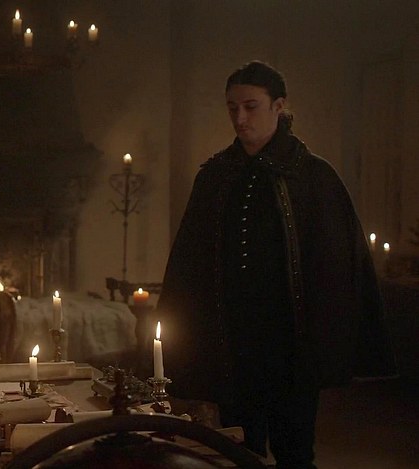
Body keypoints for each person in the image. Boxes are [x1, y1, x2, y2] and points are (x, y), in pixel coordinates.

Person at [156, 61, 395, 468]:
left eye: (250, 106)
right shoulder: (216, 176)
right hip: (232, 346)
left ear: (278, 106)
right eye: (232, 108)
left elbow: (337, 269)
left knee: (295, 451)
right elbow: (189, 265)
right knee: (237, 449)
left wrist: (323, 341)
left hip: (290, 350)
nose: (240, 118)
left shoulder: (314, 177)